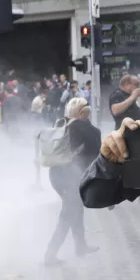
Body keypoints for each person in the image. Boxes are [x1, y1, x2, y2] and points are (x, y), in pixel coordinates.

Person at [44, 97, 101, 266]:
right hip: (73, 177)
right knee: (68, 213)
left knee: (75, 208)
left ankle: (80, 246)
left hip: (56, 175)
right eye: (88, 112)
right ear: (83, 113)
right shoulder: (90, 130)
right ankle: (50, 254)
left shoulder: (60, 125)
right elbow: (96, 159)